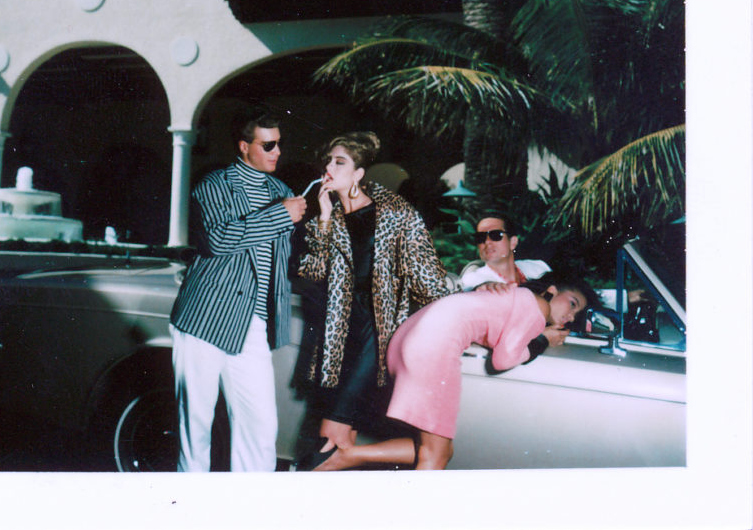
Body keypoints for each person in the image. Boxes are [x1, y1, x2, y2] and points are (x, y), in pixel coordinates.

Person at [312, 272, 597, 471]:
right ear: (552, 291)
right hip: (432, 349)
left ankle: (344, 456)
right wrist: (543, 340)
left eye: (576, 315)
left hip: (405, 341)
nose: (570, 316)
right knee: (434, 457)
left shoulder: (515, 297)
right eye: (572, 303)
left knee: (441, 451)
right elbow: (504, 359)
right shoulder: (538, 306)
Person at [296, 132, 452, 467]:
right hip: (338, 346)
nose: (328, 167)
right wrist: (323, 218)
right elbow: (312, 274)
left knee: (328, 440)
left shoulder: (395, 213)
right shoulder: (331, 216)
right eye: (327, 161)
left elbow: (430, 280)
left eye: (339, 162)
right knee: (338, 445)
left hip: (375, 344)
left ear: (359, 174)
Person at [169, 104, 307, 471]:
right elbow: (218, 239)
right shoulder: (214, 185)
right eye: (268, 145)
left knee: (261, 427)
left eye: (278, 143)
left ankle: (251, 501)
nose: (277, 152)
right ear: (244, 147)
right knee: (195, 425)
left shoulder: (282, 190)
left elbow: (285, 259)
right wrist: (280, 215)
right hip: (206, 319)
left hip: (253, 324)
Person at [459, 213, 551, 291]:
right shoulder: (471, 282)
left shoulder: (539, 268)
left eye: (495, 235)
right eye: (480, 237)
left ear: (513, 242)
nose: (487, 242)